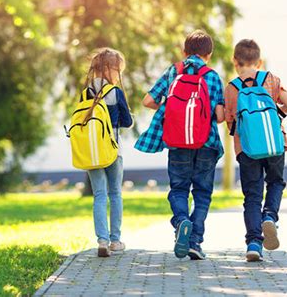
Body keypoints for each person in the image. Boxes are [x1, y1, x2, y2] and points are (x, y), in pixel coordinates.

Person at [135, 30, 225, 260]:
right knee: (203, 192)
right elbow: (221, 116)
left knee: (179, 189)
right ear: (209, 54)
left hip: (177, 141)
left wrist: (172, 111)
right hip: (206, 142)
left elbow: (148, 101)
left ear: (184, 52)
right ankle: (195, 241)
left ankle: (181, 221)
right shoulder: (212, 76)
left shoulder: (173, 71)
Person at [224, 39, 287, 261]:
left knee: (252, 195)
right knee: (275, 183)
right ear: (260, 61)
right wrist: (276, 112)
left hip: (247, 148)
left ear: (235, 61)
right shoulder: (271, 80)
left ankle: (254, 243)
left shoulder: (232, 88)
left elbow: (229, 121)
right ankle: (270, 217)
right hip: (275, 144)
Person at [83, 48, 133, 257]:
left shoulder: (86, 93)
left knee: (99, 195)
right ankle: (115, 240)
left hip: (91, 152)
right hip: (112, 150)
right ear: (111, 70)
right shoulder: (115, 92)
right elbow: (127, 122)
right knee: (115, 193)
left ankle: (101, 241)